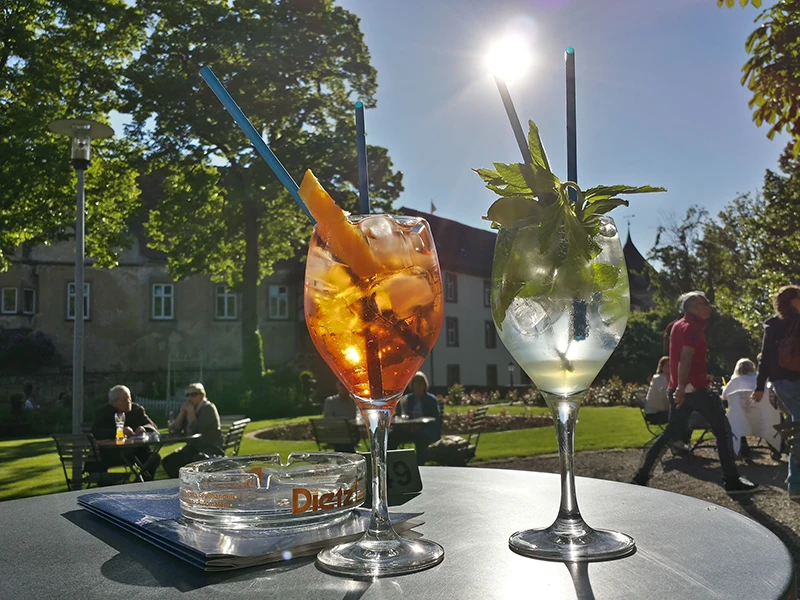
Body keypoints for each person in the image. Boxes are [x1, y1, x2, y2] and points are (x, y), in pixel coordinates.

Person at [631, 291, 758, 494]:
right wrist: (683, 387)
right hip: (694, 390)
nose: (709, 307)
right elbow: (686, 358)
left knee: (670, 433)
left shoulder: (677, 326)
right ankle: (732, 481)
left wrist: (681, 386)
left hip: (682, 388)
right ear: (695, 306)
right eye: (705, 303)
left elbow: (681, 359)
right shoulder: (693, 328)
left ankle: (641, 476)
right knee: (723, 431)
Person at [753, 285, 800, 501]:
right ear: (791, 300)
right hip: (787, 383)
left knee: (797, 429)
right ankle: (795, 484)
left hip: (782, 382)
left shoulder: (772, 325)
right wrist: (759, 386)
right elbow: (765, 357)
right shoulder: (776, 326)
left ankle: (795, 484)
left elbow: (765, 358)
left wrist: (761, 386)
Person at [91, 385, 161, 481]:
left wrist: (143, 428)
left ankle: (142, 484)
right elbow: (96, 432)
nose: (128, 402)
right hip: (111, 453)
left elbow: (152, 426)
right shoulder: (104, 413)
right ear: (114, 403)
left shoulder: (137, 410)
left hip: (136, 452)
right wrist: (117, 432)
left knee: (154, 458)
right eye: (124, 400)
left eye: (129, 398)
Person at [162, 383, 224, 478]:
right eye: (188, 395)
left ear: (202, 395)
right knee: (168, 460)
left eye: (193, 394)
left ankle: (184, 484)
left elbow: (195, 432)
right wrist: (183, 412)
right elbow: (175, 429)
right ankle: (181, 484)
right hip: (194, 448)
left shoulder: (208, 409)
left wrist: (190, 413)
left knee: (172, 462)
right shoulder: (192, 408)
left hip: (208, 449)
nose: (190, 398)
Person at [391, 372, 442, 465]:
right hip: (408, 428)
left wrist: (419, 426)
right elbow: (400, 414)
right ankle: (392, 463)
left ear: (425, 384)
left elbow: (435, 418)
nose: (418, 384)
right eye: (415, 382)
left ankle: (420, 464)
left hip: (425, 429)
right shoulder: (407, 399)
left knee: (421, 438)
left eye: (420, 382)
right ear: (412, 384)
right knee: (392, 437)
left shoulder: (431, 399)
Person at [644, 357, 670, 425]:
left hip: (663, 412)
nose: (669, 367)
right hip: (654, 414)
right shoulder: (658, 378)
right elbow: (664, 393)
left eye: (671, 365)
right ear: (661, 367)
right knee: (680, 415)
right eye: (667, 366)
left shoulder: (669, 379)